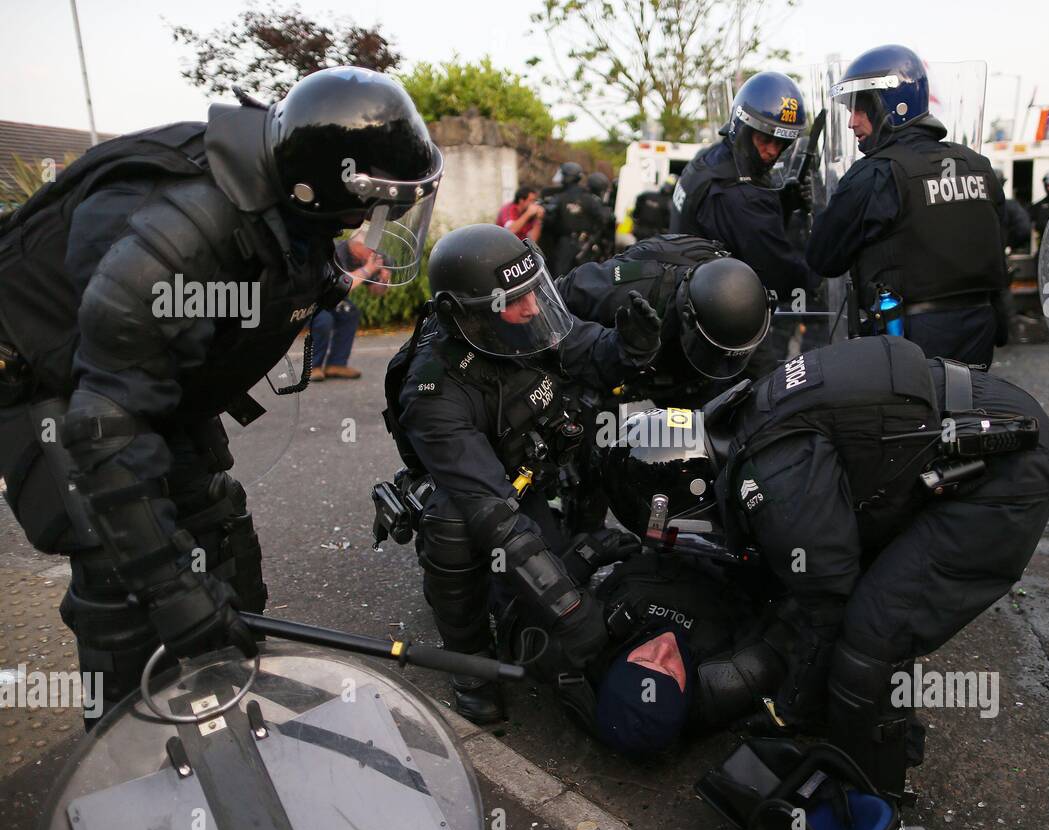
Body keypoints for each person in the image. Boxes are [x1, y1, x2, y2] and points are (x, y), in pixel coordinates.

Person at [0, 67, 442, 723]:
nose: (375, 223)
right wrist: (174, 593)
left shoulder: (275, 188)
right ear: (317, 186)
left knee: (215, 529)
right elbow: (109, 429)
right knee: (124, 567)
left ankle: (233, 708)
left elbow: (280, 258)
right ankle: (125, 760)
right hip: (50, 379)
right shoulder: (177, 236)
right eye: (369, 207)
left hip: (136, 373)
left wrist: (330, 280)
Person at [603, 337, 1049, 796]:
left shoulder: (774, 476)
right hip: (972, 424)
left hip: (1006, 466)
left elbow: (828, 601)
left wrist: (788, 710)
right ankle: (864, 733)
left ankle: (871, 797)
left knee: (872, 637)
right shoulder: (747, 417)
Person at [381, 223, 663, 723]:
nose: (532, 307)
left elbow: (589, 353)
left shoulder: (526, 321)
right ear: (463, 314)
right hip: (475, 493)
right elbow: (494, 513)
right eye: (514, 299)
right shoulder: (433, 390)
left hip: (528, 471)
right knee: (455, 524)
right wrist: (570, 611)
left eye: (533, 290)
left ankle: (574, 543)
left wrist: (628, 348)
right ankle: (470, 663)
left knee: (601, 422)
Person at [806, 45, 1008, 369]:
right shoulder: (978, 166)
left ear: (890, 106)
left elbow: (822, 257)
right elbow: (999, 246)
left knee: (911, 420)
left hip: (907, 345)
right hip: (979, 335)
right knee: (968, 416)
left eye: (860, 109)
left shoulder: (875, 173)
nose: (851, 123)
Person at [670, 71, 819, 376]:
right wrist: (820, 277)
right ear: (743, 127)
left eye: (781, 144)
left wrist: (784, 200)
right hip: (722, 324)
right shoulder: (738, 194)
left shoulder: (709, 160)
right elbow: (776, 268)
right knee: (763, 401)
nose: (772, 152)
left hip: (693, 306)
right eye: (765, 140)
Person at [556, 233, 770, 407]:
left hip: (685, 380)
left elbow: (760, 375)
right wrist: (609, 348)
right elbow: (553, 301)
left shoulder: (747, 306)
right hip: (617, 367)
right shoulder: (628, 287)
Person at [309, 229, 391, 381]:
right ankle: (314, 367)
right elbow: (341, 285)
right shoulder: (337, 252)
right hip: (313, 296)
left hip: (333, 298)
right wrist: (367, 270)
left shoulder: (369, 258)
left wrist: (383, 281)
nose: (374, 252)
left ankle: (336, 364)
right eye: (370, 248)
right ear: (357, 247)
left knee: (350, 313)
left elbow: (375, 291)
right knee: (324, 319)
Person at [538, 162, 608, 274]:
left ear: (566, 177)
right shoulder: (589, 197)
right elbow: (603, 219)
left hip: (564, 245)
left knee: (560, 279)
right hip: (586, 244)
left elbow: (548, 220)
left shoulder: (559, 197)